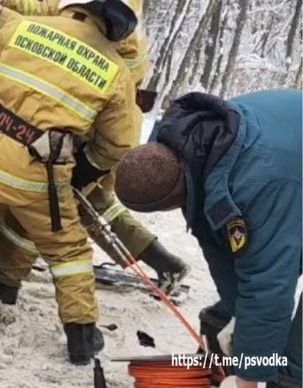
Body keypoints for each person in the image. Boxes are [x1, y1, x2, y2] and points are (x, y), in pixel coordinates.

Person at [0, 0, 189, 305]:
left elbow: (60, 41)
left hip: (102, 130)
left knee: (45, 205)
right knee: (94, 204)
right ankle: (163, 261)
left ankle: (2, 283)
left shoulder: (121, 18)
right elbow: (51, 12)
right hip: (101, 123)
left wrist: (1, 16)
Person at [0, 0, 138, 365]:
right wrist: (81, 170)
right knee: (68, 250)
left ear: (72, 0)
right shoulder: (116, 70)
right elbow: (117, 143)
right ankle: (81, 337)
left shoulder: (20, 28)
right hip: (40, 176)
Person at [113, 89, 302, 388]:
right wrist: (236, 314)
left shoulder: (257, 184)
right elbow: (221, 249)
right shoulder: (180, 149)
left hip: (282, 174)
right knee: (237, 312)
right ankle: (220, 365)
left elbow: (268, 284)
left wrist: (248, 377)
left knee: (296, 356)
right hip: (288, 168)